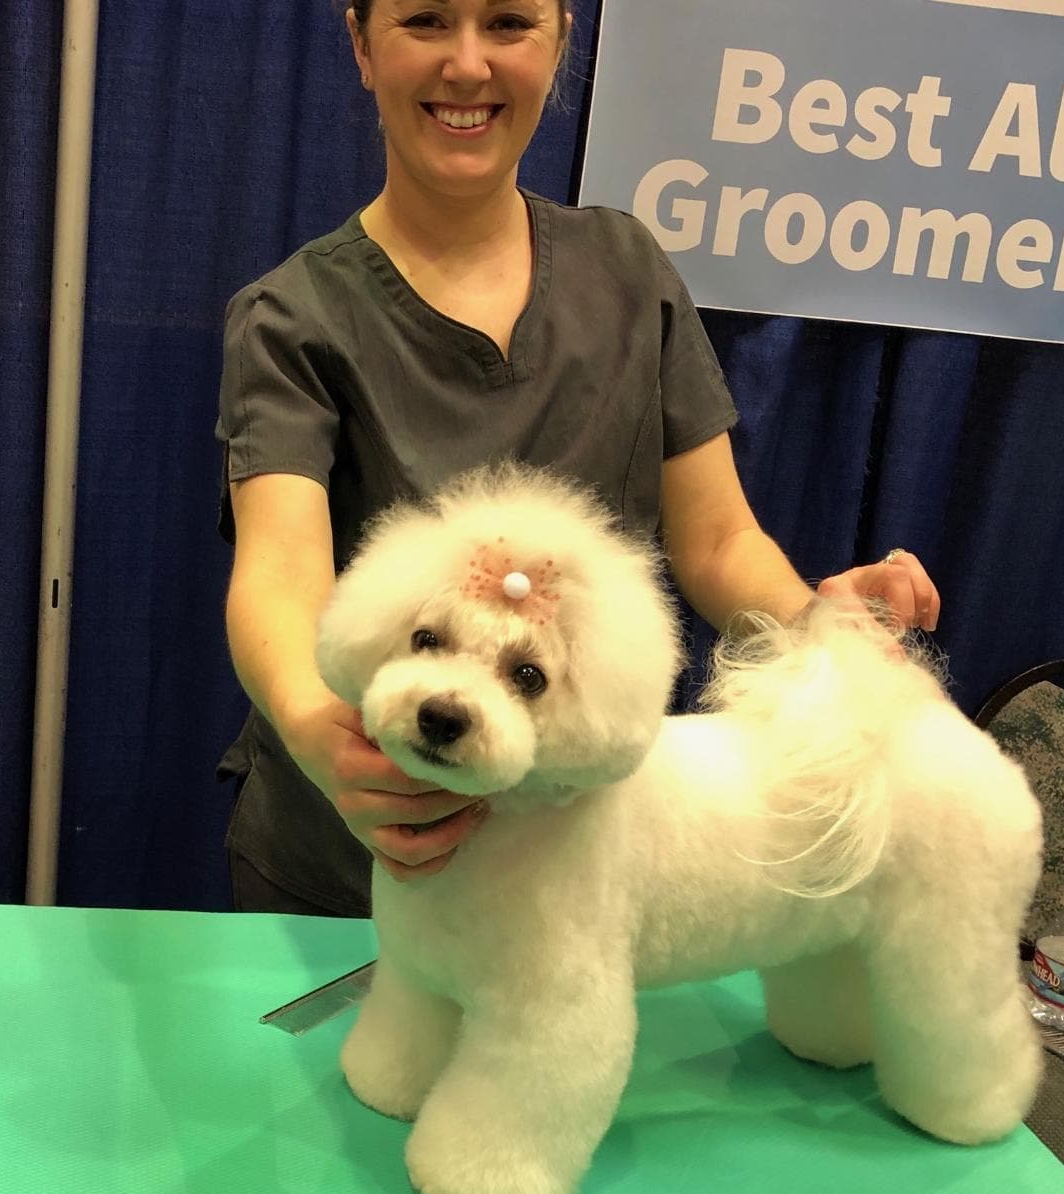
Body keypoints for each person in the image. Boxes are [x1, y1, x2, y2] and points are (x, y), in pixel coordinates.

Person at [216, 0, 941, 916]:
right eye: (426, 21)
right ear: (361, 43)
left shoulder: (629, 270)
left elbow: (718, 543)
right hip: (345, 863)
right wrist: (325, 737)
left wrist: (821, 630)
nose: (469, 66)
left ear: (563, 39)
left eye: (510, 23)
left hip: (564, 870)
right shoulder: (292, 317)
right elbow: (280, 576)